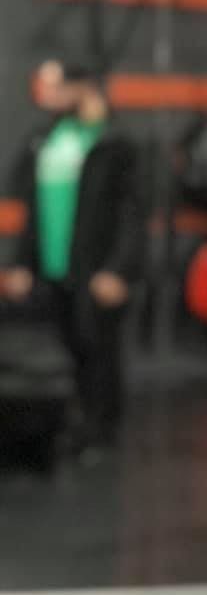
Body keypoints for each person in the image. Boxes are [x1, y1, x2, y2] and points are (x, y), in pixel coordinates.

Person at [0, 58, 144, 459]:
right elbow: (34, 208)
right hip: (55, 264)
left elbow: (131, 213)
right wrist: (21, 263)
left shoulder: (113, 143)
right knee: (69, 349)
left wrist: (119, 269)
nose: (48, 95)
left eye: (57, 86)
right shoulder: (48, 139)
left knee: (100, 350)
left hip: (95, 267)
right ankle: (76, 423)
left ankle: (102, 429)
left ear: (82, 87)